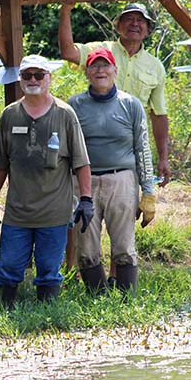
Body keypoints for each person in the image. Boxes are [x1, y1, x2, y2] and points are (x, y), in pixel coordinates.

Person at [0, 55, 93, 308]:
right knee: (8, 266)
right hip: (17, 214)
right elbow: (0, 163)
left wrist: (86, 200)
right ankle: (3, 314)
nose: (33, 80)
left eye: (38, 75)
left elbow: (81, 162)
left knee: (48, 269)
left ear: (49, 78)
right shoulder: (10, 115)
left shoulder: (65, 114)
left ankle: (47, 316)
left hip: (54, 213)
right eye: (27, 75)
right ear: (20, 78)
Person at [67, 48, 156, 295]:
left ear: (115, 71)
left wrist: (148, 192)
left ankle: (127, 299)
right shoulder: (74, 105)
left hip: (122, 180)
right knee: (86, 248)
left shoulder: (131, 104)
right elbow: (68, 150)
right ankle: (98, 299)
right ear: (86, 72)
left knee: (124, 245)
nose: (100, 71)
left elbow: (143, 148)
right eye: (94, 66)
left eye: (105, 66)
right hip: (84, 184)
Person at [59, 2, 170, 185]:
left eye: (140, 20)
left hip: (131, 145)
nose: (134, 24)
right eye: (128, 19)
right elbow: (68, 52)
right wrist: (65, 10)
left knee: (128, 203)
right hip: (94, 140)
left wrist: (163, 158)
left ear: (148, 29)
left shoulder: (155, 66)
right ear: (118, 25)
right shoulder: (101, 51)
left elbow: (158, 114)